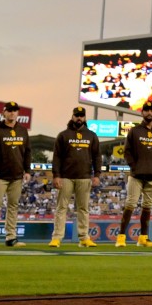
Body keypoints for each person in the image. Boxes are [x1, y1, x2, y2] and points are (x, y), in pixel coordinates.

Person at [117, 102, 152, 247]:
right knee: (130, 204)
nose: (149, 113)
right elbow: (127, 151)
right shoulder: (134, 131)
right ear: (142, 113)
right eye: (146, 110)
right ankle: (121, 237)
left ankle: (143, 238)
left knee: (147, 207)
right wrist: (134, 166)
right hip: (136, 175)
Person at [50, 106, 101, 248]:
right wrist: (56, 175)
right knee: (62, 208)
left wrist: (97, 174)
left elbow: (97, 156)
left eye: (81, 116)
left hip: (84, 177)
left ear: (84, 118)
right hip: (66, 177)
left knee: (83, 208)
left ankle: (84, 237)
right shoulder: (63, 135)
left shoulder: (91, 135)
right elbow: (57, 157)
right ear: (72, 116)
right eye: (77, 115)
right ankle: (57, 237)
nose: (79, 118)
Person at [0, 101, 32, 248]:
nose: (12, 113)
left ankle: (11, 237)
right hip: (0, 175)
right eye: (9, 110)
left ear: (18, 113)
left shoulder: (23, 130)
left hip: (17, 176)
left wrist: (27, 170)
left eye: (15, 111)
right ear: (3, 113)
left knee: (13, 206)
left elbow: (27, 152)